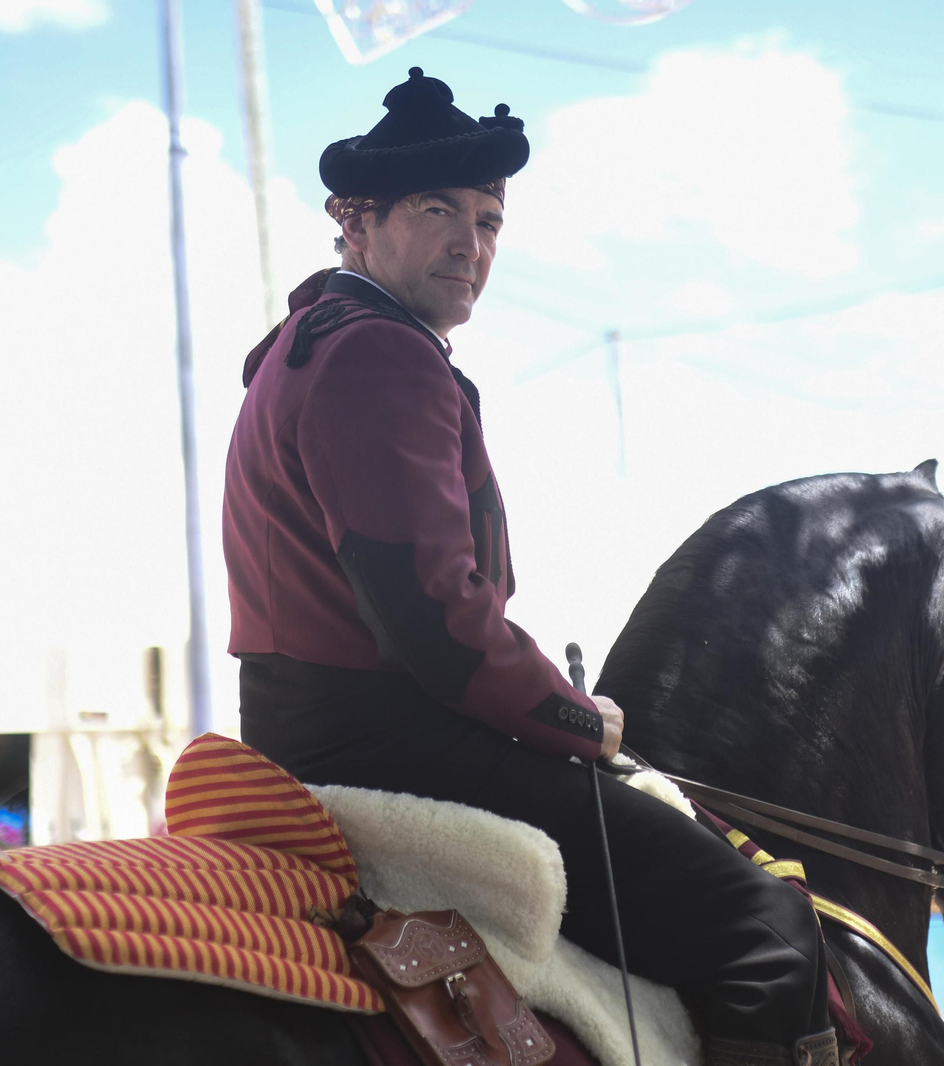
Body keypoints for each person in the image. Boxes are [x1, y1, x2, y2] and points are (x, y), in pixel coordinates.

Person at [221, 67, 837, 1066]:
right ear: (356, 219)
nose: (472, 245)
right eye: (438, 211)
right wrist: (575, 716)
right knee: (761, 928)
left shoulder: (299, 345)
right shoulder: (381, 351)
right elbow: (435, 621)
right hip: (395, 741)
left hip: (301, 732)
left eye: (490, 220)